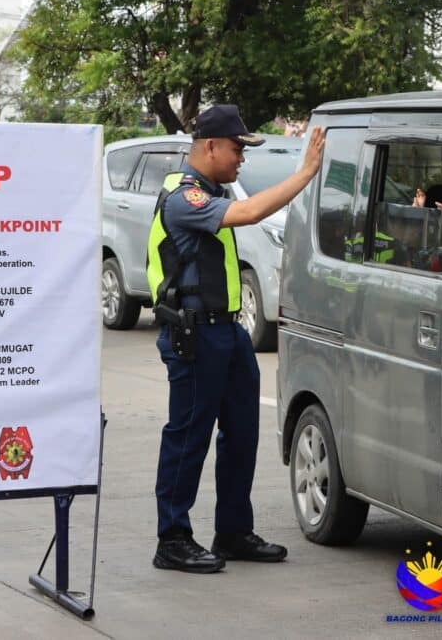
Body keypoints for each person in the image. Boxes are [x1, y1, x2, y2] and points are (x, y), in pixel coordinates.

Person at [146, 104, 326, 573]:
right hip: (194, 337)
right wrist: (305, 172)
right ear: (209, 146)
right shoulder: (185, 198)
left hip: (226, 333)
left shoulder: (210, 191)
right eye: (236, 148)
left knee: (242, 433)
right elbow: (249, 212)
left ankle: (232, 531)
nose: (240, 158)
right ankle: (173, 538)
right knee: (188, 438)